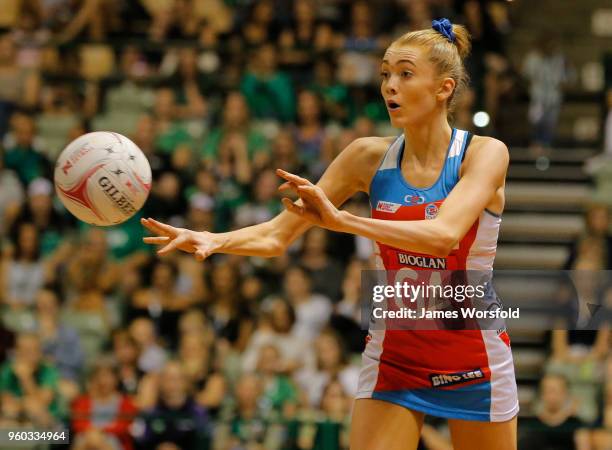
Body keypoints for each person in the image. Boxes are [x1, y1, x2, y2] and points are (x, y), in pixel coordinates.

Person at [142, 18, 518, 450]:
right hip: (395, 356)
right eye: (385, 74)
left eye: (405, 73)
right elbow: (277, 236)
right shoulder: (365, 156)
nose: (389, 86)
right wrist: (214, 239)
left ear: (444, 88)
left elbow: (443, 236)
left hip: (473, 355)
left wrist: (342, 221)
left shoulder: (485, 153)